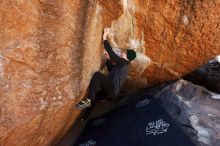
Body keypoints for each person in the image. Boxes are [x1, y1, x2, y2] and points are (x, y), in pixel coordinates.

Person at [76, 28, 136, 109]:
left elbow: (112, 53)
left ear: (128, 57)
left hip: (112, 87)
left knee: (97, 75)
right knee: (96, 98)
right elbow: (112, 70)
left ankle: (88, 100)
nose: (123, 53)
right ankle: (84, 118)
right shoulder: (125, 64)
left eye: (125, 53)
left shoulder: (123, 62)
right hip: (113, 90)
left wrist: (104, 37)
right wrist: (108, 60)